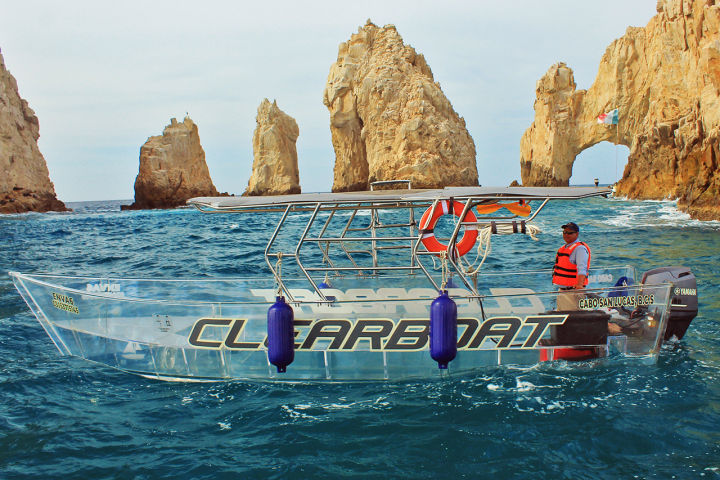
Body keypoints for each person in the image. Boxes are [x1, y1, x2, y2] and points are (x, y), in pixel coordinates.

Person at [552, 222, 590, 311]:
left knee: (573, 319)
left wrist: (579, 287)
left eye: (570, 233)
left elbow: (582, 269)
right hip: (563, 291)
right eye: (564, 232)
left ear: (577, 234)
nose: (566, 235)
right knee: (563, 318)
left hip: (573, 292)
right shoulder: (564, 248)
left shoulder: (580, 248)